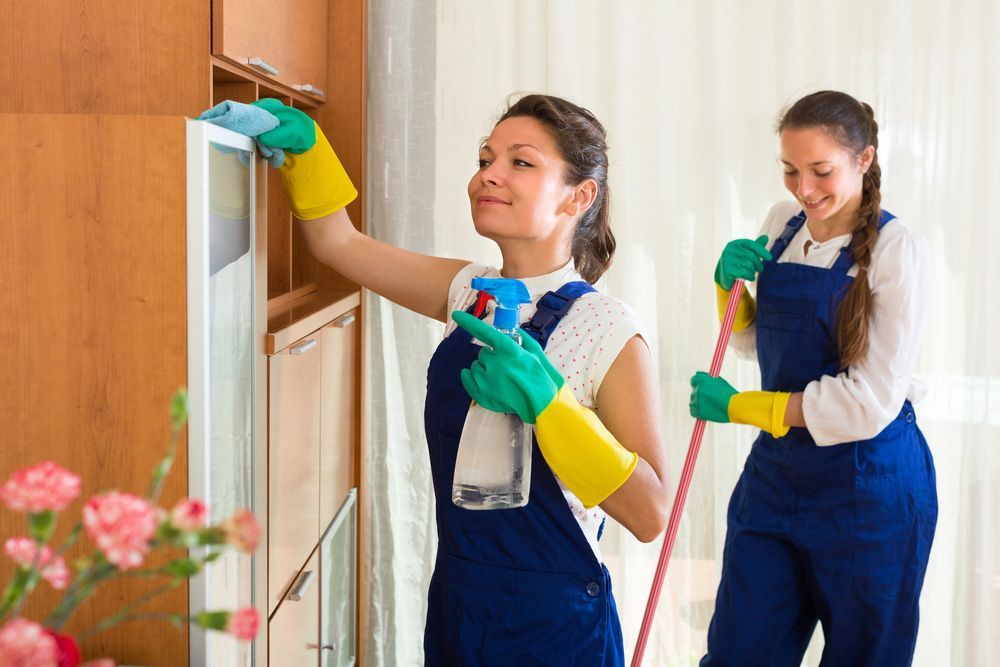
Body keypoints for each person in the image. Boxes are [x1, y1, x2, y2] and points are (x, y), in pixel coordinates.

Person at [245, 94, 669, 665]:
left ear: (579, 194)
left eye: (520, 162)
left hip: (555, 629)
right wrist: (307, 151)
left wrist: (551, 405)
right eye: (484, 159)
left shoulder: (606, 327)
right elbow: (339, 244)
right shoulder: (470, 290)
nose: (487, 175)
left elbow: (651, 513)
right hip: (460, 606)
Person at [689, 90, 937, 666]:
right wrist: (728, 289)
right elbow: (758, 342)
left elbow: (869, 402)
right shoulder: (784, 225)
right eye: (790, 171)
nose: (804, 189)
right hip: (777, 479)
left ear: (864, 160)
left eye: (821, 171)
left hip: (869, 488)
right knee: (739, 653)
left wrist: (741, 409)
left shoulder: (900, 251)